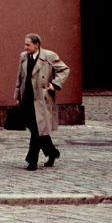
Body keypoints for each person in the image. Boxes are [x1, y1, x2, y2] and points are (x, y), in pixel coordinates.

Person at [12, 32, 70, 170]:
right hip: (27, 99)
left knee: (37, 130)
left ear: (37, 44)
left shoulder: (49, 56)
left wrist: (54, 84)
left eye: (28, 44)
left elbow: (64, 69)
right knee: (36, 130)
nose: (25, 47)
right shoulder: (23, 57)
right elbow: (20, 77)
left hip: (41, 100)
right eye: (25, 44)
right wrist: (17, 96)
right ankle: (52, 152)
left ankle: (32, 161)